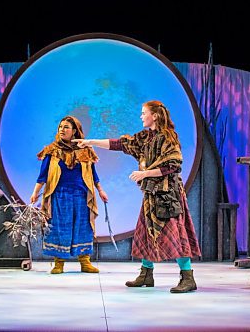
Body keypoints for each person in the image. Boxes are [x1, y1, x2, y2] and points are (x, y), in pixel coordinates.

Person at [73, 101, 201, 293]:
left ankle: (188, 277)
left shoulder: (167, 138)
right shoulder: (145, 137)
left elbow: (173, 165)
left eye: (144, 113)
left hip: (167, 195)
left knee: (176, 235)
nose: (141, 116)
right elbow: (120, 144)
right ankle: (146, 274)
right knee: (145, 233)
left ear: (155, 116)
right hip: (151, 195)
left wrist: (144, 174)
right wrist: (90, 142)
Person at [31, 116, 109, 274]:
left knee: (83, 226)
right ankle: (59, 262)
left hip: (81, 195)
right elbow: (43, 175)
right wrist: (35, 192)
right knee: (60, 227)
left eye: (66, 127)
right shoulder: (52, 150)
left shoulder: (85, 149)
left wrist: (100, 190)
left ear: (74, 131)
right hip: (60, 195)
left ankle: (85, 261)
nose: (62, 129)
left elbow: (93, 173)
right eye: (60, 126)